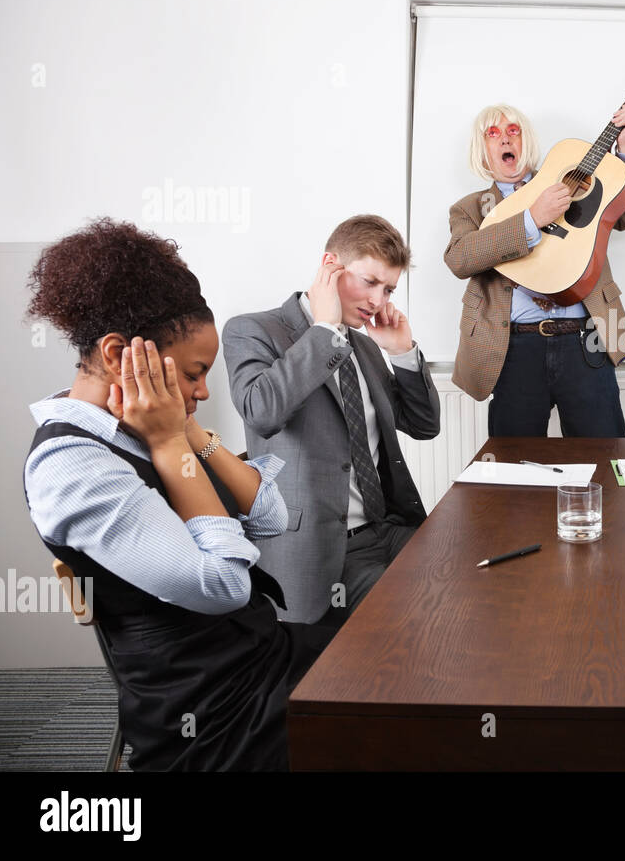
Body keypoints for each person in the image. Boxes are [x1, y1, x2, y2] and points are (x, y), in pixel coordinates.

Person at [23, 218, 322, 770]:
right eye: (194, 373)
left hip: (257, 656)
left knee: (401, 664)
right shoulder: (71, 466)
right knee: (401, 717)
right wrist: (166, 437)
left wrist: (186, 433)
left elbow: (272, 516)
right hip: (210, 714)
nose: (204, 391)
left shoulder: (153, 424)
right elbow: (225, 585)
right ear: (119, 358)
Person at [223, 214, 440, 628]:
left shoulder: (365, 345)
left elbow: (424, 425)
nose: (377, 300)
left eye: (389, 289)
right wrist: (323, 330)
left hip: (389, 529)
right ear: (330, 266)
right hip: (323, 548)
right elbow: (262, 412)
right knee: (417, 614)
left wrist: (402, 352)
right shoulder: (254, 330)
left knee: (464, 580)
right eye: (369, 282)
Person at [444, 102, 625, 437]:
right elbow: (460, 259)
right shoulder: (469, 208)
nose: (505, 140)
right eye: (493, 133)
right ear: (481, 150)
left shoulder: (573, 184)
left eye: (513, 131)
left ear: (525, 141)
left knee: (605, 458)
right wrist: (531, 219)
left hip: (588, 339)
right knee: (514, 470)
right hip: (513, 350)